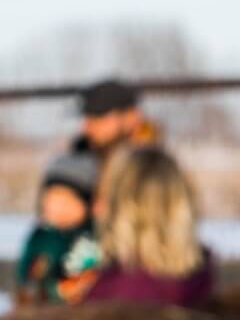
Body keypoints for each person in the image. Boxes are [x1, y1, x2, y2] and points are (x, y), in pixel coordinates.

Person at [83, 146, 214, 308]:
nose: (96, 208)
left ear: (125, 210)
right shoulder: (203, 282)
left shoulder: (111, 294)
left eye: (106, 196)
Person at [15, 151, 101, 305]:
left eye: (67, 201)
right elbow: (24, 278)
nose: (59, 208)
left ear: (89, 205)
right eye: (53, 199)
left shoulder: (95, 238)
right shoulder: (40, 237)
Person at [72, 79, 159, 160]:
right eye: (87, 119)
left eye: (98, 117)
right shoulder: (84, 157)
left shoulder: (155, 168)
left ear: (131, 116)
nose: (86, 128)